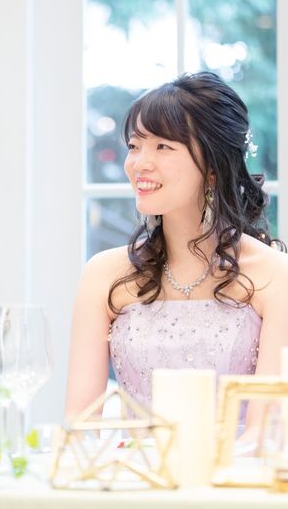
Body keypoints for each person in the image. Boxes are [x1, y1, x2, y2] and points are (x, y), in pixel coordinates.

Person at [65, 71, 288, 427]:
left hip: (237, 463)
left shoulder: (275, 275)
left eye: (163, 147)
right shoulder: (103, 274)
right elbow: (80, 428)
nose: (139, 163)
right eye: (134, 146)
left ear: (213, 166)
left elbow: (265, 434)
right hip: (136, 462)